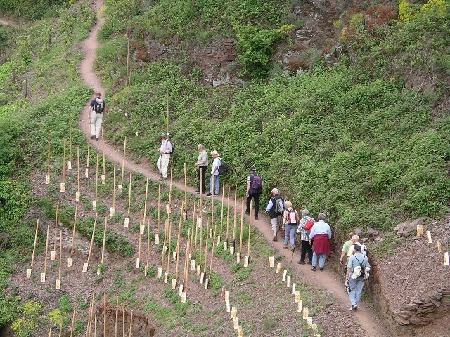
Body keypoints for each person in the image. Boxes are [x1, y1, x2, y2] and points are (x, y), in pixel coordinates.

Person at [346, 244, 371, 310]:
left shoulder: (352, 257)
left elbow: (349, 267)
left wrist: (347, 276)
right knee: (359, 290)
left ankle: (353, 303)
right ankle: (355, 303)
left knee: (351, 289)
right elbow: (368, 266)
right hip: (362, 275)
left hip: (352, 275)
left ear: (354, 250)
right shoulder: (365, 257)